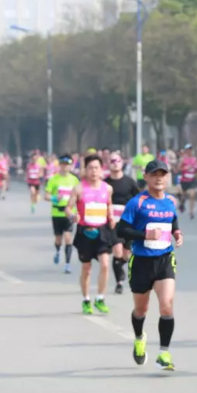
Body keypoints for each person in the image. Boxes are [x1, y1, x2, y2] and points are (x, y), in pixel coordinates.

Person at [117, 159, 183, 371]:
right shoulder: (137, 203)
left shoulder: (171, 201)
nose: (159, 178)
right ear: (146, 177)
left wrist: (177, 233)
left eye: (162, 174)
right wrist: (145, 233)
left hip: (164, 259)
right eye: (154, 174)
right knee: (141, 309)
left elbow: (172, 220)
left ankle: (164, 353)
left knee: (166, 305)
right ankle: (139, 337)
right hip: (141, 261)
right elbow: (121, 230)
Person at [66, 155, 114, 314]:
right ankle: (86, 300)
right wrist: (73, 216)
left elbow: (109, 205)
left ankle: (100, 298)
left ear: (101, 170)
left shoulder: (107, 188)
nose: (94, 171)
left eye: (96, 168)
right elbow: (68, 208)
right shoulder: (79, 188)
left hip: (102, 231)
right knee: (86, 269)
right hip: (84, 232)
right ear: (85, 171)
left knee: (105, 264)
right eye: (90, 168)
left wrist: (111, 218)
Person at [105, 154, 140, 294]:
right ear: (108, 164)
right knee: (117, 251)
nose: (115, 163)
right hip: (112, 223)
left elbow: (139, 200)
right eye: (112, 161)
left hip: (128, 223)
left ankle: (121, 266)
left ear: (122, 163)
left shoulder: (129, 182)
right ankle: (119, 281)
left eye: (117, 161)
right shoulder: (105, 183)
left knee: (126, 255)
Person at [45, 155, 79, 274]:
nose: (65, 167)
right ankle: (58, 251)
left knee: (68, 238)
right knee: (58, 238)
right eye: (63, 164)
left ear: (71, 166)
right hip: (56, 213)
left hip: (69, 213)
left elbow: (79, 196)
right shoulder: (53, 179)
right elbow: (46, 196)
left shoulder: (74, 180)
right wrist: (54, 198)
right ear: (59, 165)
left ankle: (67, 264)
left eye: (67, 164)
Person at [178, 144, 197, 219]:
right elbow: (178, 169)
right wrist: (185, 168)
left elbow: (196, 168)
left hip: (192, 180)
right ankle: (181, 203)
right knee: (184, 195)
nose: (189, 151)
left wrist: (196, 169)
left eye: (190, 149)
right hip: (184, 180)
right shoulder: (182, 159)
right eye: (188, 149)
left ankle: (191, 212)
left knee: (192, 195)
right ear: (186, 151)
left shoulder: (194, 159)